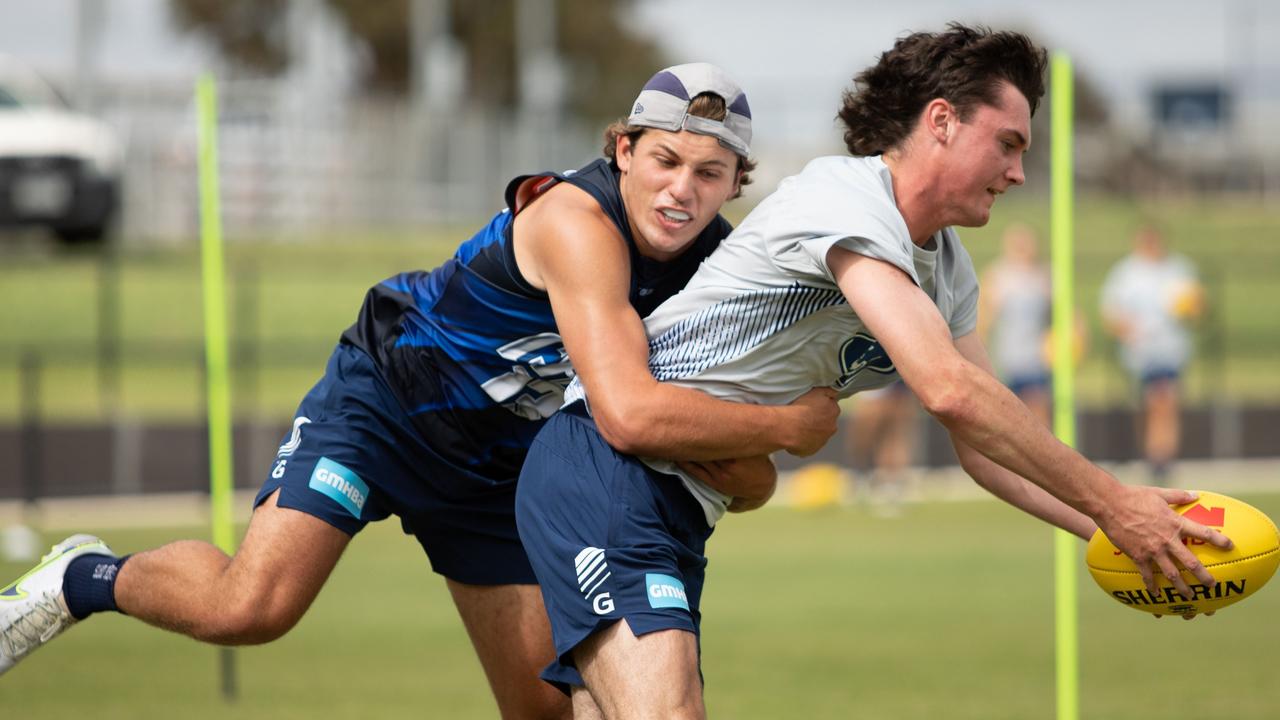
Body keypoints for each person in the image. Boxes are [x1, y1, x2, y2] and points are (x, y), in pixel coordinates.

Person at [0, 63, 842, 718]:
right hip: (392, 403)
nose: (679, 190)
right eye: (663, 159)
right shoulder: (575, 223)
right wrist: (789, 427)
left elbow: (742, 474)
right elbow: (631, 414)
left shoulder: (719, 276)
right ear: (622, 150)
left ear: (737, 183)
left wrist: (764, 453)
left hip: (503, 467)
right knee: (250, 607)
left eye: (707, 171)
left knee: (546, 708)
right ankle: (81, 578)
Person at [515, 25, 1233, 719]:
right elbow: (949, 391)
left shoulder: (946, 269)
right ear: (942, 121)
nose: (1017, 172)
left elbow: (987, 450)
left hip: (679, 503)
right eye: (1007, 144)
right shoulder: (846, 199)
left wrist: (1134, 540)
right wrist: (1116, 502)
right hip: (606, 470)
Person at [1100, 223, 1204, 483]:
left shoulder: (1180, 269)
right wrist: (1129, 331)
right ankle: (1154, 454)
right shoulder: (1126, 273)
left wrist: (1191, 308)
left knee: (1165, 400)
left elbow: (1198, 306)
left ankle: (1161, 459)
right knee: (1152, 404)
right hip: (1139, 354)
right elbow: (1110, 315)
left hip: (1171, 350)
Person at [977, 222, 1052, 426]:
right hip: (1006, 360)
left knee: (1038, 416)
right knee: (1007, 420)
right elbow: (983, 320)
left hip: (1036, 360)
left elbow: (1061, 316)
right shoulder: (997, 275)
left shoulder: (1044, 276)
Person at [844, 381, 917, 515]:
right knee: (864, 430)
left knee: (895, 430)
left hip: (898, 375)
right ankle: (859, 475)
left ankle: (891, 486)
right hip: (872, 371)